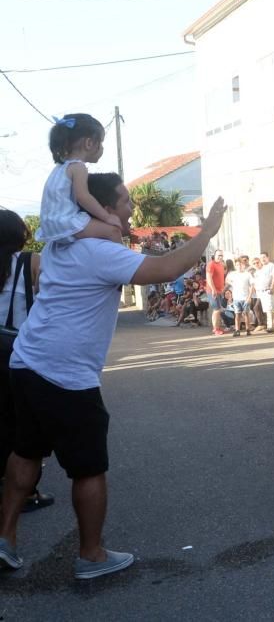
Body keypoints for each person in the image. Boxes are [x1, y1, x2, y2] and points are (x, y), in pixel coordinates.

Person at [0, 172, 225, 579]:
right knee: (88, 468)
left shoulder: (59, 245)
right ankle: (91, 555)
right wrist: (207, 230)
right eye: (124, 201)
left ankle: (5, 539)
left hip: (26, 361)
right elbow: (167, 266)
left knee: (26, 451)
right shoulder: (98, 252)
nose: (130, 207)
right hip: (65, 375)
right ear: (102, 209)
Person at [0, 211, 53, 515]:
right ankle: (27, 492)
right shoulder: (30, 261)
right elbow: (48, 298)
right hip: (20, 350)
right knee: (22, 424)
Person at [35, 114, 122, 246]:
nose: (103, 147)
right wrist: (107, 217)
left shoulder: (58, 169)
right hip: (65, 223)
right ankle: (124, 265)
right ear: (89, 143)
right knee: (113, 231)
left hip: (49, 226)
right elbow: (83, 197)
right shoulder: (78, 167)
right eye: (101, 142)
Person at [228, 255, 254, 337]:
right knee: (237, 314)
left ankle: (248, 329)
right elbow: (227, 280)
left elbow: (252, 286)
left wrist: (249, 297)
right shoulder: (233, 274)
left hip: (245, 297)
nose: (239, 266)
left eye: (240, 265)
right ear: (235, 266)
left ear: (243, 265)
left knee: (246, 314)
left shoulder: (247, 274)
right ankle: (237, 330)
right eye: (237, 265)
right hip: (236, 298)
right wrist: (230, 296)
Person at [253, 253, 274, 332]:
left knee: (270, 309)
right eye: (261, 258)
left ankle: (272, 326)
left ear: (268, 257)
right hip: (261, 292)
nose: (263, 259)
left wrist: (272, 287)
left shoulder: (271, 265)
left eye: (264, 257)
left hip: (268, 290)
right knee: (267, 310)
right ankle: (269, 326)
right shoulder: (262, 268)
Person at [205, 249, 227, 335]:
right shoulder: (211, 264)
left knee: (218, 309)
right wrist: (213, 289)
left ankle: (217, 327)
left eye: (221, 255)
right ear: (214, 255)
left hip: (220, 291)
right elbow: (209, 278)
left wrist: (222, 290)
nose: (220, 257)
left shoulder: (221, 265)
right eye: (218, 255)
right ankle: (215, 328)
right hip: (212, 291)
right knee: (216, 309)